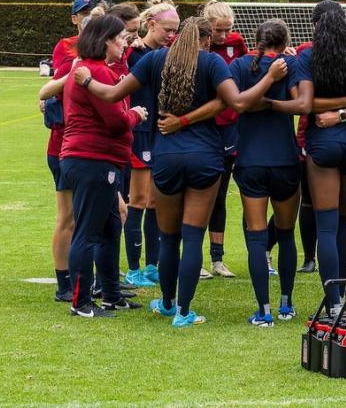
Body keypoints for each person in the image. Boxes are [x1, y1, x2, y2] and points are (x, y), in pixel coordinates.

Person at [74, 17, 287, 328]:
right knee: (192, 238)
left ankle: (169, 303)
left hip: (167, 156)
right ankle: (184, 312)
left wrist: (86, 80)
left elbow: (112, 94)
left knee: (169, 238)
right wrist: (269, 78)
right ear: (205, 39)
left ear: (180, 36)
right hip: (206, 157)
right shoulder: (212, 61)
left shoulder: (156, 59)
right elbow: (238, 103)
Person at [293, 1, 346, 313]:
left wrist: (334, 113)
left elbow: (303, 104)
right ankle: (343, 287)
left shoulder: (307, 55)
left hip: (323, 143)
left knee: (326, 224)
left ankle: (334, 301)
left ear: (315, 24)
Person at [59, 14, 148, 318]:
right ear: (107, 40)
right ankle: (81, 302)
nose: (126, 44)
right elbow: (116, 122)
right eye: (122, 38)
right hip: (93, 159)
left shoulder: (91, 71)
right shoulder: (98, 73)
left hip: (90, 158)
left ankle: (110, 294)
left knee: (111, 225)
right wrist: (136, 113)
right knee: (88, 231)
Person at [231, 19, 307, 326]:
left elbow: (237, 104)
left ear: (256, 38)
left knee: (257, 237)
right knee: (287, 235)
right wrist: (276, 102)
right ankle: (286, 305)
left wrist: (260, 103)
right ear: (286, 39)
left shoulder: (239, 65)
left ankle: (263, 311)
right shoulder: (290, 64)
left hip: (250, 161)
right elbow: (302, 104)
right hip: (286, 161)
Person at [120, 0, 179, 288]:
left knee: (157, 201)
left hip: (162, 132)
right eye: (167, 30)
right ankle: (133, 268)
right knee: (139, 200)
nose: (171, 35)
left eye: (175, 31)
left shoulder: (169, 54)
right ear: (151, 24)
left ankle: (153, 266)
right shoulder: (132, 53)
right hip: (140, 133)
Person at [42, 0, 97, 302]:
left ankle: (97, 279)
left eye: (94, 12)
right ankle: (65, 282)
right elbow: (59, 83)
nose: (90, 16)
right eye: (84, 13)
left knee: (105, 214)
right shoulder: (66, 47)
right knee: (69, 216)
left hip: (93, 142)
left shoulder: (111, 45)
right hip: (66, 142)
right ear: (75, 18)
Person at [203, 0, 248, 279]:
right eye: (218, 30)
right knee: (200, 194)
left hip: (232, 129)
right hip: (204, 128)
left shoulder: (237, 42)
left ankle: (217, 259)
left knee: (220, 195)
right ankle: (193, 257)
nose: (222, 36)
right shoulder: (196, 45)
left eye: (226, 30)